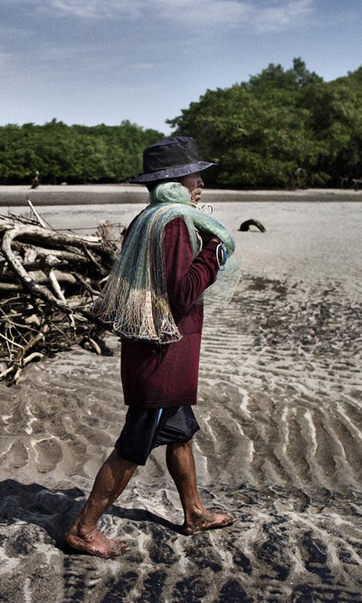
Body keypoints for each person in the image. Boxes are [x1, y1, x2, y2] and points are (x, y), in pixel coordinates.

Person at [65, 136, 239, 558]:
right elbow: (180, 295)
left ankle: (194, 512)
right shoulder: (175, 223)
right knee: (133, 445)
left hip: (157, 351)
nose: (201, 182)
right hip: (162, 356)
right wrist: (214, 251)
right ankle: (84, 529)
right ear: (176, 181)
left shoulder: (147, 219)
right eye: (194, 175)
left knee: (180, 433)